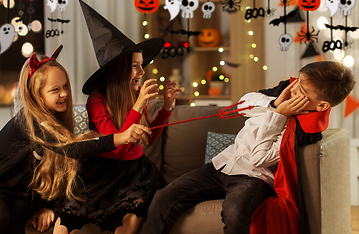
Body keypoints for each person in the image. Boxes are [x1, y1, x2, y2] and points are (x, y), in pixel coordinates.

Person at [140, 61, 355, 234]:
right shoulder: (284, 91)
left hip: (253, 178)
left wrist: (278, 116)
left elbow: (258, 159)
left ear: (322, 105)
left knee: (235, 213)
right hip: (221, 165)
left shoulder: (303, 132)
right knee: (163, 197)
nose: (295, 88)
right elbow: (244, 104)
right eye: (298, 81)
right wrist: (273, 105)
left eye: (303, 89)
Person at [54, 0, 181, 234]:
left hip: (135, 173)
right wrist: (141, 103)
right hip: (101, 170)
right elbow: (118, 147)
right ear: (119, 69)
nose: (142, 72)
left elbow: (147, 139)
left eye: (142, 66)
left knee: (130, 222)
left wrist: (166, 108)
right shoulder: (97, 100)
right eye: (135, 66)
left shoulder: (135, 97)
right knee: (67, 222)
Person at [0, 45, 150, 234]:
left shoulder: (56, 122)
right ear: (37, 95)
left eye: (65, 86)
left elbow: (56, 171)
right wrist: (120, 137)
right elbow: (72, 149)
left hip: (22, 196)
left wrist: (46, 206)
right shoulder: (30, 121)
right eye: (55, 90)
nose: (64, 94)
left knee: (16, 223)